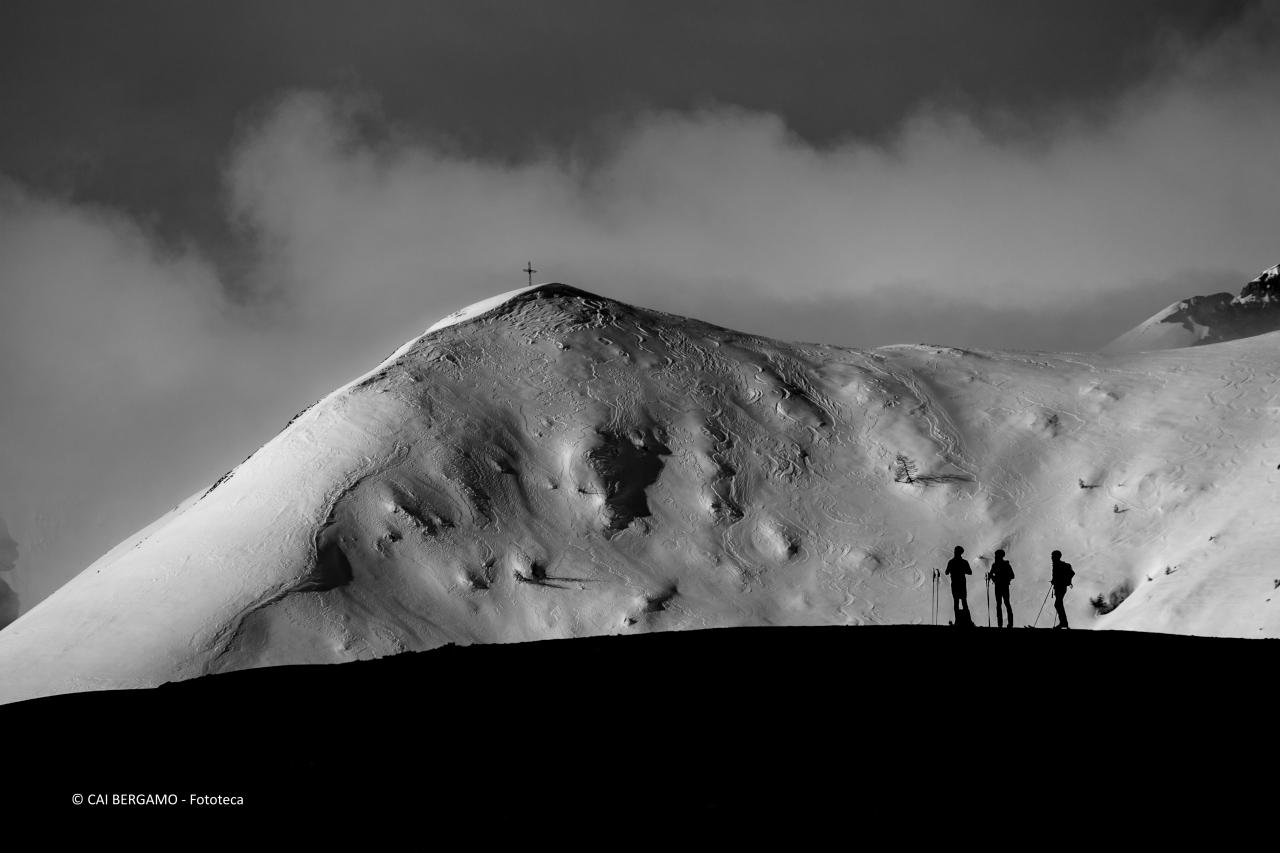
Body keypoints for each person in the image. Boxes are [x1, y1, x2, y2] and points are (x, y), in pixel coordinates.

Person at [945, 546, 973, 627]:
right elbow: (970, 572)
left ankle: (957, 620)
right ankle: (968, 621)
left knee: (956, 602)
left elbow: (946, 572)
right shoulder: (964, 562)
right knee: (964, 601)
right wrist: (962, 570)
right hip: (962, 584)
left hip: (955, 584)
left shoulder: (951, 562)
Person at [988, 549, 1014, 628]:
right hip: (1004, 586)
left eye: (997, 555)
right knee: (1006, 604)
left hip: (999, 586)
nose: (996, 557)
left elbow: (1012, 576)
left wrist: (993, 577)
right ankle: (1010, 624)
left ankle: (1000, 624)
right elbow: (1012, 576)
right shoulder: (1005, 565)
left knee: (1000, 604)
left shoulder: (995, 565)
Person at [1050, 550, 1074, 629]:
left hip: (1060, 587)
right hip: (1060, 587)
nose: (1051, 558)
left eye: (1053, 556)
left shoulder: (1059, 565)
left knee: (1058, 604)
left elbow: (1070, 573)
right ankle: (1063, 623)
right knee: (1058, 604)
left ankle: (1063, 623)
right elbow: (1071, 573)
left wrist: (1058, 580)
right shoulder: (1058, 565)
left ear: (1056, 557)